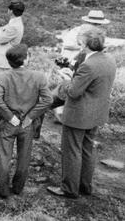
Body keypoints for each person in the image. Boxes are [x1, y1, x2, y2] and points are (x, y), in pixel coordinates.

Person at [47, 28, 116, 199]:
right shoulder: (109, 59)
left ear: (85, 45)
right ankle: (85, 186)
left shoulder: (88, 65)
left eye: (81, 43)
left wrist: (67, 77)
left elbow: (73, 92)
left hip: (79, 115)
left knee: (72, 151)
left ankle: (69, 189)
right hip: (97, 113)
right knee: (87, 149)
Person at [0, 44, 52, 198]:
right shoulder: (39, 76)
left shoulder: (2, 77)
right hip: (28, 124)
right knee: (24, 156)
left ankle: (3, 189)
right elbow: (48, 100)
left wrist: (11, 117)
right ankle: (18, 188)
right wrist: (31, 117)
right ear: (26, 59)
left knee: (5, 156)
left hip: (8, 123)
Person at [0, 1, 25, 103]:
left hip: (2, 59)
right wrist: (3, 30)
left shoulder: (14, 26)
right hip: (5, 58)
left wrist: (0, 30)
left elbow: (0, 39)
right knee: (3, 82)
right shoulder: (16, 23)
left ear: (10, 11)